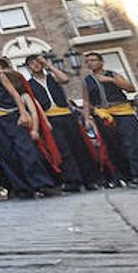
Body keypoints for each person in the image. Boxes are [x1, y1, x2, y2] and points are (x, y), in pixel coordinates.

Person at [0, 47, 58, 199]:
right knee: (6, 155)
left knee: (26, 151)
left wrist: (23, 113)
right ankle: (21, 187)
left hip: (10, 116)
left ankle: (42, 183)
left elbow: (14, 94)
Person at [24, 55, 98, 191]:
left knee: (79, 147)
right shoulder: (29, 84)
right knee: (63, 150)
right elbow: (36, 105)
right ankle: (73, 181)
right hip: (50, 117)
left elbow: (66, 79)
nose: (35, 65)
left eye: (37, 62)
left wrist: (49, 65)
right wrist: (44, 121)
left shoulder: (53, 77)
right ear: (28, 68)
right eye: (32, 64)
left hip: (66, 115)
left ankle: (90, 180)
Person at [82, 52, 138, 185]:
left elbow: (130, 88)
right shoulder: (86, 81)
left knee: (134, 142)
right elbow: (86, 101)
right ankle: (126, 175)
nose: (90, 63)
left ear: (101, 62)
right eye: (87, 61)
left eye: (93, 60)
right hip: (103, 114)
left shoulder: (113, 74)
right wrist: (87, 118)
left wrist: (111, 80)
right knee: (114, 145)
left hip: (122, 111)